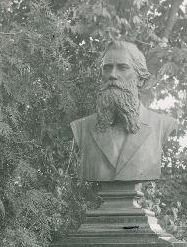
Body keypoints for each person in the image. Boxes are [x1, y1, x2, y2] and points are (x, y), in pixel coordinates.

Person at [71, 40, 177, 182]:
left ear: (140, 79)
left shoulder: (161, 125)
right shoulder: (82, 128)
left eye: (122, 68)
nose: (112, 75)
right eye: (107, 68)